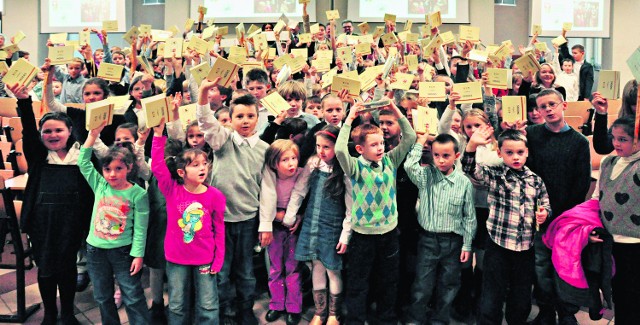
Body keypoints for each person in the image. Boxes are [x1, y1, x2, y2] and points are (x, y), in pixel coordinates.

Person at [8, 84, 93, 325]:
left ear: (70, 131)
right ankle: (49, 313)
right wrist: (24, 101)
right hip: (42, 222)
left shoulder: (82, 156)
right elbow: (26, 127)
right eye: (47, 131)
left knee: (67, 268)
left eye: (58, 130)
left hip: (72, 222)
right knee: (45, 269)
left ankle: (67, 313)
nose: (53, 135)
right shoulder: (38, 155)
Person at [196, 78, 269, 324]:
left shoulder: (264, 149)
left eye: (250, 116)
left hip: (248, 219)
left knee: (246, 271)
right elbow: (206, 121)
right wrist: (204, 92)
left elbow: (267, 188)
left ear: (258, 118)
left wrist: (265, 223)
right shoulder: (222, 140)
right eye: (239, 116)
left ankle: (245, 309)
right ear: (231, 118)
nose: (245, 121)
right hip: (220, 221)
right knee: (222, 270)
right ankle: (226, 311)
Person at [337, 101, 416, 324]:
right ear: (361, 149)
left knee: (388, 281)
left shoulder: (390, 161)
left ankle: (386, 319)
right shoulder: (354, 166)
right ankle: (355, 319)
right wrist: (350, 117)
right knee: (358, 282)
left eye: (381, 143)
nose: (380, 147)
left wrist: (396, 110)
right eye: (374, 145)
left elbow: (409, 138)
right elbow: (339, 149)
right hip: (362, 236)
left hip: (389, 234)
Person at [462, 128, 551, 325]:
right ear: (500, 153)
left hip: (525, 248)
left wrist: (544, 212)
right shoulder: (496, 176)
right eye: (509, 153)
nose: (516, 157)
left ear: (527, 152)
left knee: (521, 296)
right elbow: (470, 170)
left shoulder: (536, 181)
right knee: (492, 295)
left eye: (520, 152)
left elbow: (545, 204)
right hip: (498, 246)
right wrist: (472, 146)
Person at [525, 89, 591, 325]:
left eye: (552, 104)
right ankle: (545, 312)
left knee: (565, 267)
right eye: (543, 107)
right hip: (538, 215)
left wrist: (561, 215)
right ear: (539, 111)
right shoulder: (531, 135)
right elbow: (525, 170)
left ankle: (566, 313)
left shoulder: (579, 142)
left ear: (563, 106)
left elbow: (581, 183)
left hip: (564, 217)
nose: (548, 109)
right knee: (541, 267)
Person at [151, 120, 226, 324]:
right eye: (195, 165)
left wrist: (218, 259)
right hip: (176, 258)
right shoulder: (172, 190)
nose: (202, 168)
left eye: (204, 164)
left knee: (208, 305)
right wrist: (158, 136)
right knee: (176, 305)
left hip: (205, 258)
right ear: (182, 172)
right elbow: (158, 167)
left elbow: (219, 229)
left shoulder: (215, 196)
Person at [79, 123, 150, 325]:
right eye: (107, 169)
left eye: (118, 169)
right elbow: (83, 163)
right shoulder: (100, 185)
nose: (112, 174)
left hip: (123, 252)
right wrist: (92, 135)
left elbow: (140, 228)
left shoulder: (138, 193)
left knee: (133, 296)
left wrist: (138, 254)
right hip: (95, 250)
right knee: (102, 296)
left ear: (129, 168)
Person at [404, 133, 476, 324]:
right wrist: (420, 142)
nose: (441, 160)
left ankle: (440, 320)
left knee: (449, 284)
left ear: (457, 156)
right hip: (428, 239)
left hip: (453, 242)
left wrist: (467, 245)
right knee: (422, 284)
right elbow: (409, 166)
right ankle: (415, 319)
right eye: (437, 155)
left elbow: (469, 216)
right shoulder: (425, 176)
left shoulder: (464, 183)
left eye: (446, 155)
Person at [284, 125, 351, 325]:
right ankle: (319, 312)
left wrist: (345, 234)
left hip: (332, 228)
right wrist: (290, 215)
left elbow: (351, 206)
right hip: (313, 224)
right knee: (317, 267)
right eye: (318, 146)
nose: (321, 151)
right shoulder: (314, 163)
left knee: (333, 269)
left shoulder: (345, 170)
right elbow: (299, 191)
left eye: (327, 147)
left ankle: (333, 313)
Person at [590, 116, 640, 325]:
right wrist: (591, 228)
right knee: (618, 294)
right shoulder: (607, 162)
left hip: (635, 245)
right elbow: (596, 199)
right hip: (611, 243)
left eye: (624, 139)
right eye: (615, 138)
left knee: (634, 298)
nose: (617, 144)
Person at [259, 140, 305, 324]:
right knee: (276, 268)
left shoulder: (302, 175)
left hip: (294, 228)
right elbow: (263, 201)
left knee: (293, 268)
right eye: (285, 160)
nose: (291, 163)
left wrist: (299, 217)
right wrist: (276, 216)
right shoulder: (270, 178)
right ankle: (276, 304)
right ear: (274, 163)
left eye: (294, 158)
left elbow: (307, 198)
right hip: (276, 227)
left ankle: (294, 307)